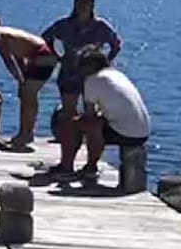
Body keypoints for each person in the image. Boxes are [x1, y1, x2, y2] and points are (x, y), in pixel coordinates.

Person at [56, 46, 149, 180]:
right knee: (94, 123)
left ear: (91, 66)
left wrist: (74, 120)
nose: (79, 69)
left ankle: (68, 169)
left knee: (71, 125)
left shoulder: (93, 80)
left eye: (81, 65)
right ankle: (90, 167)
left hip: (124, 133)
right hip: (142, 133)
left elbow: (89, 116)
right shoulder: (117, 75)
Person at [42, 0, 122, 139]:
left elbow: (116, 45)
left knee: (90, 114)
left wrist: (104, 63)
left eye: (87, 3)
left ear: (92, 5)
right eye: (80, 2)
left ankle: (90, 143)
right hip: (69, 72)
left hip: (91, 75)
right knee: (68, 111)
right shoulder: (64, 24)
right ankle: (69, 142)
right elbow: (45, 38)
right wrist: (56, 56)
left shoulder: (101, 26)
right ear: (75, 4)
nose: (83, 6)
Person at [0, 13, 59, 149]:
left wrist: (19, 78)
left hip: (43, 55)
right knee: (26, 94)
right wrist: (22, 76)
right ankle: (25, 132)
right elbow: (18, 56)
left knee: (28, 93)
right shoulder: (6, 34)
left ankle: (26, 134)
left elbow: (8, 59)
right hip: (40, 54)